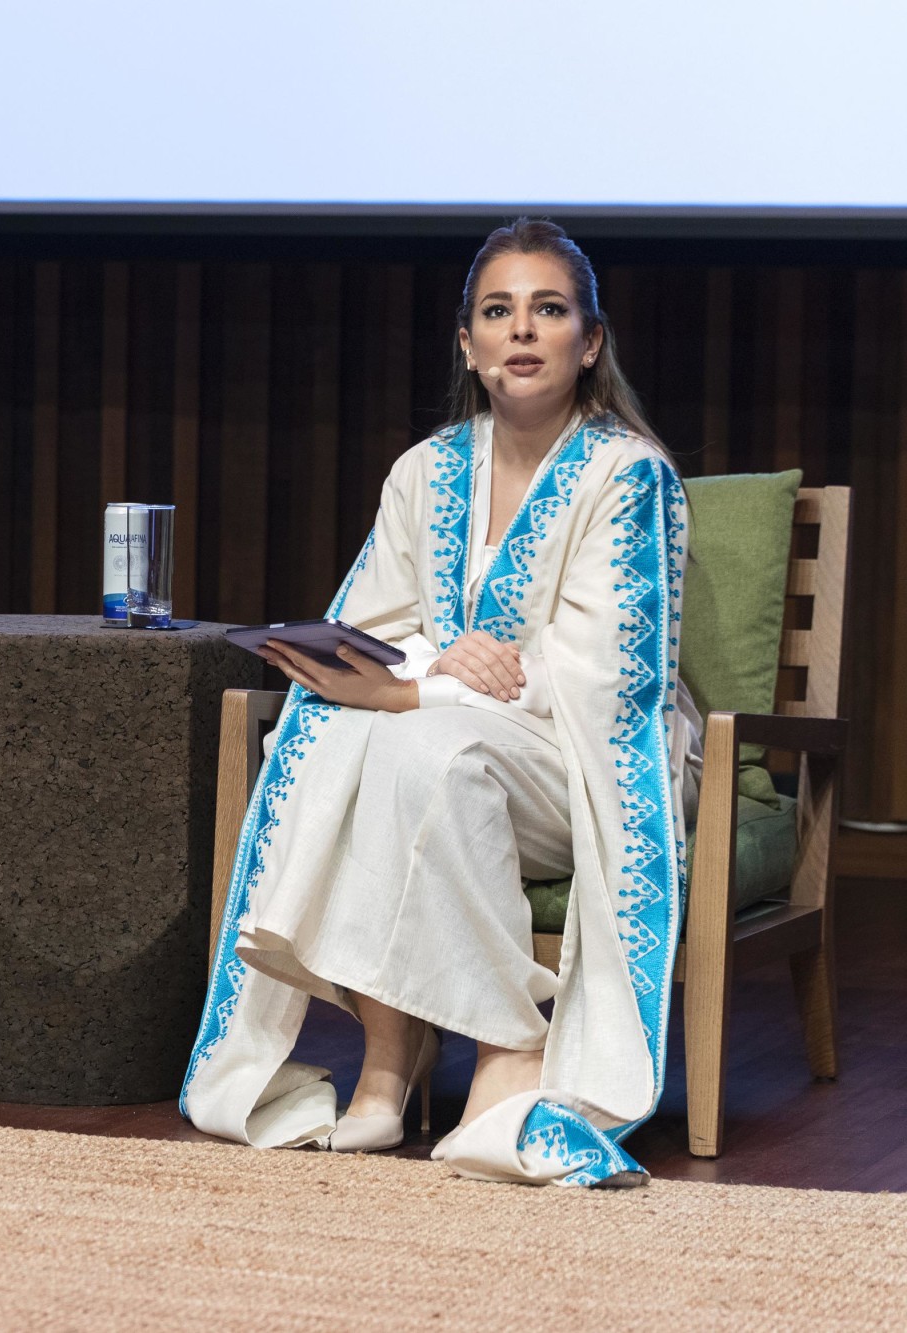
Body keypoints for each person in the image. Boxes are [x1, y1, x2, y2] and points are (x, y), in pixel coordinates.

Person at [180, 218, 700, 1187]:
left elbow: (600, 678)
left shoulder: (628, 477)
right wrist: (431, 670)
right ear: (465, 343)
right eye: (496, 312)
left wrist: (428, 682)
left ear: (587, 342)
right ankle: (387, 1062)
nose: (521, 332)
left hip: (580, 760)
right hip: (452, 749)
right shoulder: (422, 472)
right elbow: (368, 633)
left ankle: (504, 1053)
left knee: (425, 746)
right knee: (355, 736)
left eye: (547, 311)